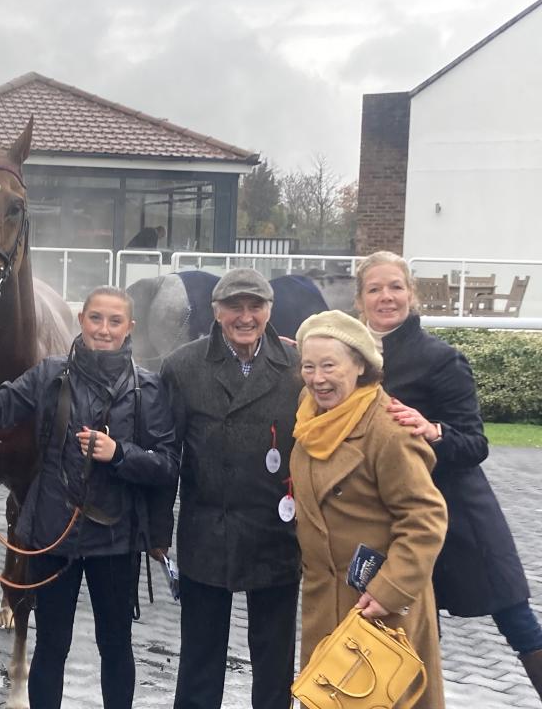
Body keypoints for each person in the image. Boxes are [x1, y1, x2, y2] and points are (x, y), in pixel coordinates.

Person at [0, 286, 179, 709]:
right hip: (52, 533)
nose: (104, 329)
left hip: (116, 539)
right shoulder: (49, 374)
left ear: (129, 328)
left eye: (114, 321)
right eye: (96, 318)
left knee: (115, 644)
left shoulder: (147, 389)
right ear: (82, 320)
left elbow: (168, 463)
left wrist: (119, 454)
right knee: (51, 646)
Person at [355, 250, 542, 699]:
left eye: (396, 286)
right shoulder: (350, 358)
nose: (386, 297)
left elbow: (475, 444)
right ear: (359, 300)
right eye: (375, 289)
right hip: (392, 522)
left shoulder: (441, 358)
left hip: (459, 516)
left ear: (411, 294)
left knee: (517, 622)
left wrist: (433, 430)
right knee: (409, 632)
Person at [160, 267, 303, 709]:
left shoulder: (299, 365)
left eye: (255, 306)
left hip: (276, 534)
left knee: (274, 659)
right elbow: (169, 455)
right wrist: (157, 531)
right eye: (234, 307)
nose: (245, 316)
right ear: (216, 312)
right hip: (208, 531)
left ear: (269, 311)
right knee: (200, 658)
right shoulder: (183, 366)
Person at [292, 309, 448, 709]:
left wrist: (389, 589)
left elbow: (425, 518)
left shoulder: (387, 430)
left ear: (360, 365)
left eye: (330, 365)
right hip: (326, 603)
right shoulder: (310, 419)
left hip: (380, 609)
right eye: (309, 366)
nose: (317, 378)